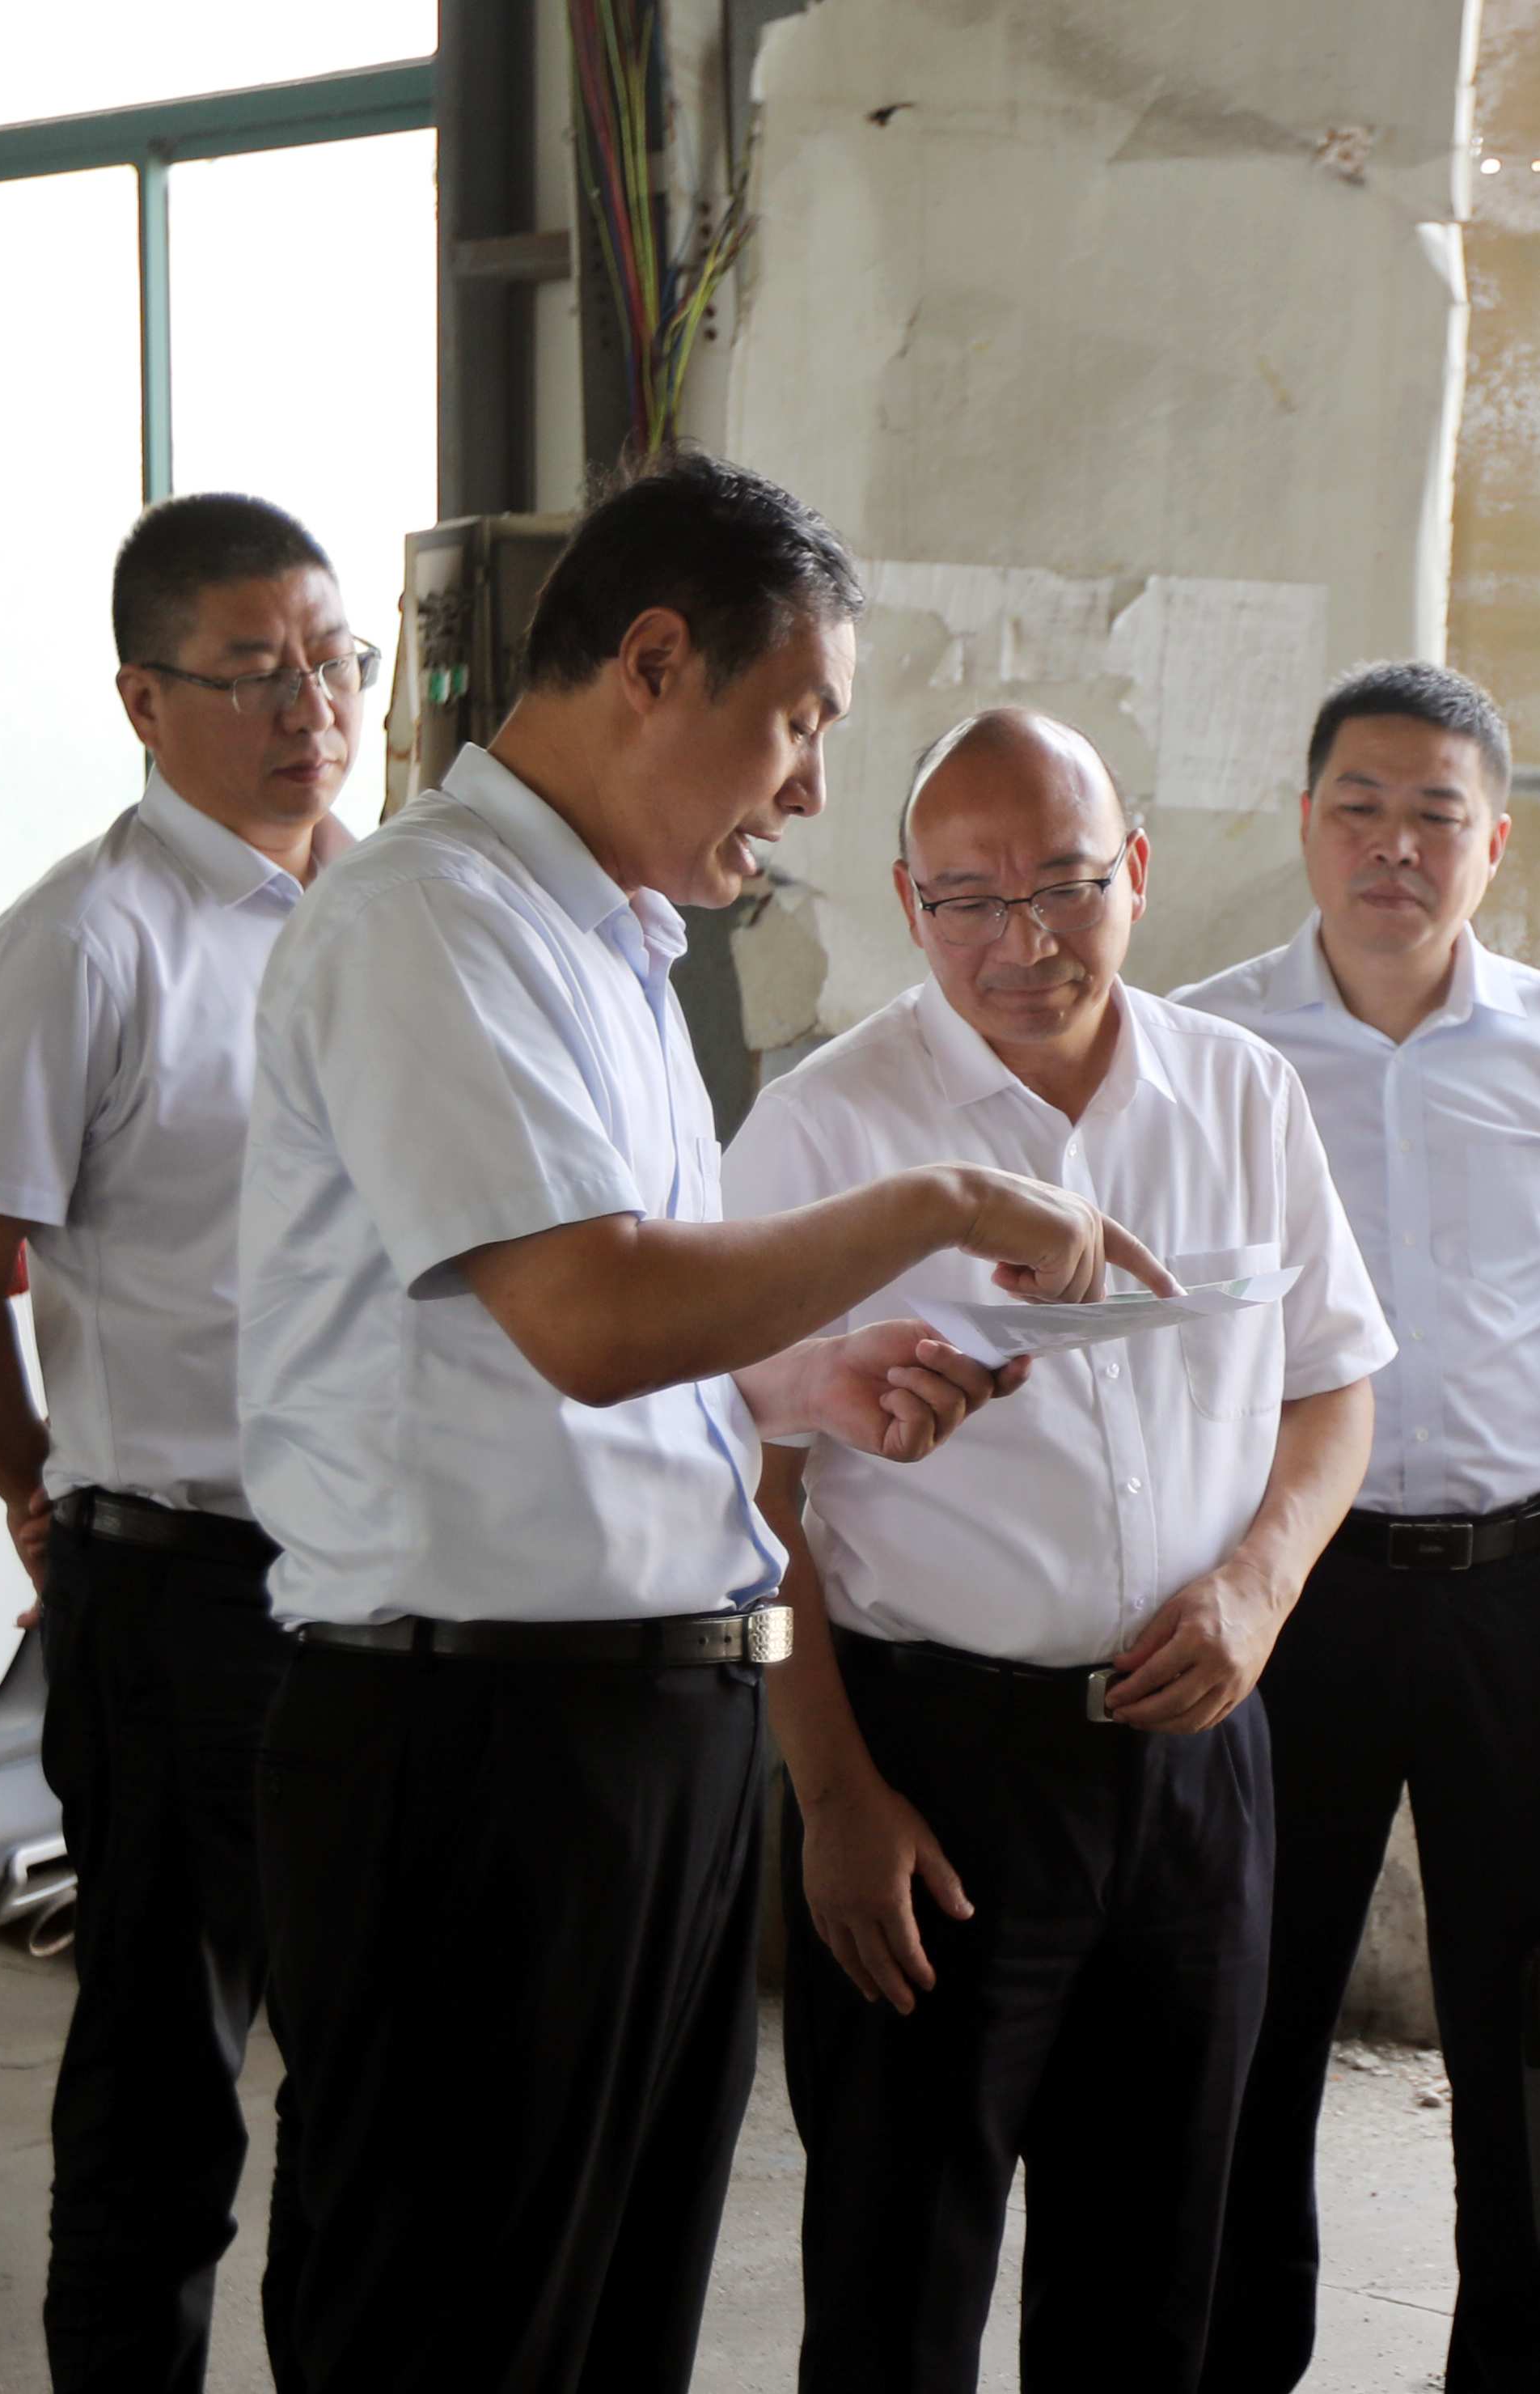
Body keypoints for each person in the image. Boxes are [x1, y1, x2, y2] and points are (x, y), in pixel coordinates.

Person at [240, 457, 1157, 2394]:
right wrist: (941, 1200)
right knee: (456, 2328)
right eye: (799, 719)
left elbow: (577, 1334)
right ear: (655, 661)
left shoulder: (613, 942)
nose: (811, 786)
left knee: (612, 2327)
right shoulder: (433, 920)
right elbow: (589, 1314)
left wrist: (790, 1386)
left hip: (643, 1726)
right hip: (481, 1749)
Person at [720, 705, 1393, 2394]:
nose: (1022, 942)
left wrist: (1259, 1586)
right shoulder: (821, 1131)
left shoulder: (1239, 1091)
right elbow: (747, 1492)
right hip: (931, 1774)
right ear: (907, 901)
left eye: (1067, 888)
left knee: (1153, 2290)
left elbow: (1333, 1387)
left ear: (1137, 873)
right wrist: (833, 1793)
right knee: (898, 2289)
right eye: (968, 900)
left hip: (1197, 1758)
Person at [0, 493, 360, 2394]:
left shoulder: (395, 914)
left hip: (383, 1585)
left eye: (334, 659)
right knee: (165, 2082)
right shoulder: (84, 943)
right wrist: (41, 1484)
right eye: (254, 672)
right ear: (144, 701)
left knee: (374, 2068)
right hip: (182, 1593)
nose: (311, 706)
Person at [1175, 660, 1540, 2394]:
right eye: (1361, 808)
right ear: (1305, 823)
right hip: (1293, 1595)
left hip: (1523, 1598)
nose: (1393, 846)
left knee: (1531, 2032)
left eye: (1435, 815)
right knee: (1255, 2017)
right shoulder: (1207, 1048)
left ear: (1493, 846)